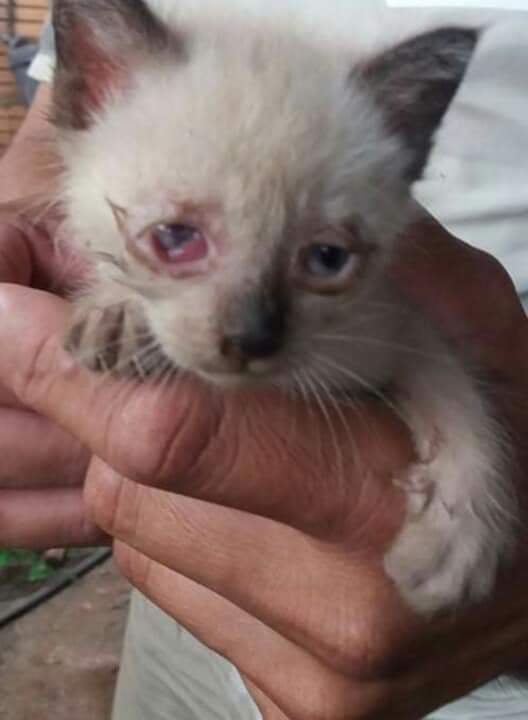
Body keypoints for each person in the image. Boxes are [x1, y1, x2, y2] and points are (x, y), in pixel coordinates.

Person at [0, 3, 527, 718]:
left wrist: (481, 498)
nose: (250, 332)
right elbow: (51, 156)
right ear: (95, 96)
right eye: (177, 239)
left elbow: (413, 347)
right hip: (178, 590)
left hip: (464, 639)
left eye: (325, 257)